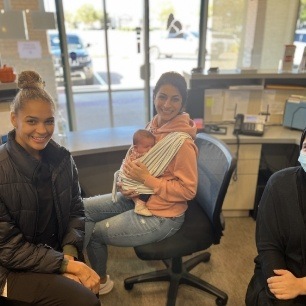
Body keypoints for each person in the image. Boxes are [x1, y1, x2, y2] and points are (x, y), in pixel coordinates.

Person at [84, 71, 198, 295]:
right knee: (82, 208)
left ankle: (99, 282)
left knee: (95, 233)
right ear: (154, 97)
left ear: (183, 102)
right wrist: (129, 181)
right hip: (138, 197)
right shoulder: (154, 126)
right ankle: (75, 268)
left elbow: (188, 190)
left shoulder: (181, 143)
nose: (167, 104)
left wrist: (145, 179)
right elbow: (139, 157)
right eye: (162, 96)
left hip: (163, 214)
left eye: (175, 99)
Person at [0, 71, 100, 306]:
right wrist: (65, 265)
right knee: (85, 300)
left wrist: (68, 254)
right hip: (10, 267)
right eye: (32, 121)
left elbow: (76, 211)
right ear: (14, 119)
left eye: (49, 121)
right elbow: (8, 248)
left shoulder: (62, 160)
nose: (42, 130)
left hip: (55, 253)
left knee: (90, 288)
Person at [245, 127, 306, 306]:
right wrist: (282, 287)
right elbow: (268, 246)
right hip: (283, 272)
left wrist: (301, 286)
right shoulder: (280, 185)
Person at [114, 129, 156, 217]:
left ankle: (137, 202)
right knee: (148, 189)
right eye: (147, 147)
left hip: (130, 181)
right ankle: (140, 204)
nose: (150, 149)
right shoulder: (139, 155)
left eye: (152, 146)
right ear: (136, 148)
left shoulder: (135, 152)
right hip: (131, 179)